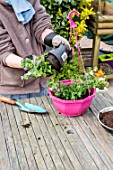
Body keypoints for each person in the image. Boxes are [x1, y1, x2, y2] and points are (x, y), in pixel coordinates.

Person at [0, 0, 71, 100]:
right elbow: (3, 51)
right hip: (12, 91)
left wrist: (53, 38)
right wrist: (29, 63)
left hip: (40, 84)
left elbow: (40, 24)